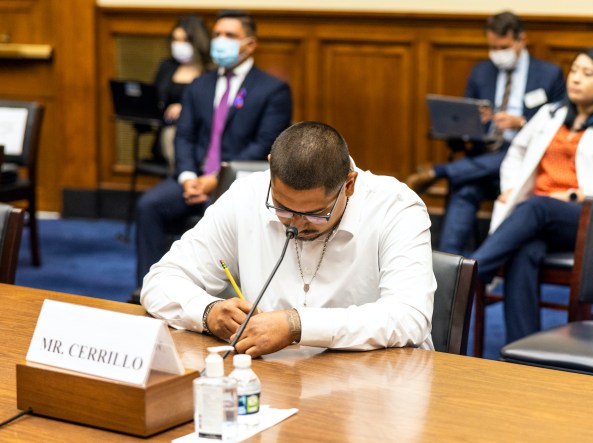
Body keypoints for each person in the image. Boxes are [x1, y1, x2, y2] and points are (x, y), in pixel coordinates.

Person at [141, 121, 436, 357]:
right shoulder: (247, 195)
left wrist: (297, 325)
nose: (295, 224)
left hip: (375, 383)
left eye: (315, 214)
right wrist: (208, 312)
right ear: (271, 168)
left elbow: (409, 316)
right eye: (281, 207)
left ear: (349, 184)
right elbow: (160, 280)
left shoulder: (396, 207)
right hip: (275, 379)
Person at [472, 47, 593, 344]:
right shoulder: (550, 114)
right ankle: (522, 350)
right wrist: (511, 187)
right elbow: (516, 152)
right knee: (524, 251)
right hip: (536, 219)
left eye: (587, 74)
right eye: (574, 70)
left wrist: (578, 195)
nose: (575, 79)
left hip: (586, 217)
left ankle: (471, 272)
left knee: (537, 206)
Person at [134, 10, 293, 294]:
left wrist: (217, 178)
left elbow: (265, 145)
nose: (220, 40)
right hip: (193, 177)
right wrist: (187, 177)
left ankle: (212, 296)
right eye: (217, 34)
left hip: (237, 183)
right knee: (149, 205)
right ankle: (151, 290)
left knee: (219, 215)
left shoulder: (273, 90)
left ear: (250, 44)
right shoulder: (200, 85)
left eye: (229, 35)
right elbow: (184, 135)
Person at [406, 11, 566, 256]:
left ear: (521, 40)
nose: (497, 53)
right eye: (493, 47)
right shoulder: (481, 72)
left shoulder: (549, 74)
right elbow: (465, 124)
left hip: (526, 160)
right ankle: (447, 264)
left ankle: (440, 171)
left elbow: (560, 123)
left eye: (504, 47)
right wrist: (475, 123)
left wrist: (521, 122)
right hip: (485, 156)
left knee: (503, 157)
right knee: (465, 191)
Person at [152, 15, 212, 169]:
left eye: (184, 40)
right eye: (175, 39)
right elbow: (155, 98)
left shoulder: (211, 71)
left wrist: (185, 109)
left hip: (201, 133)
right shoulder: (167, 66)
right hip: (168, 129)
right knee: (171, 134)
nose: (178, 45)